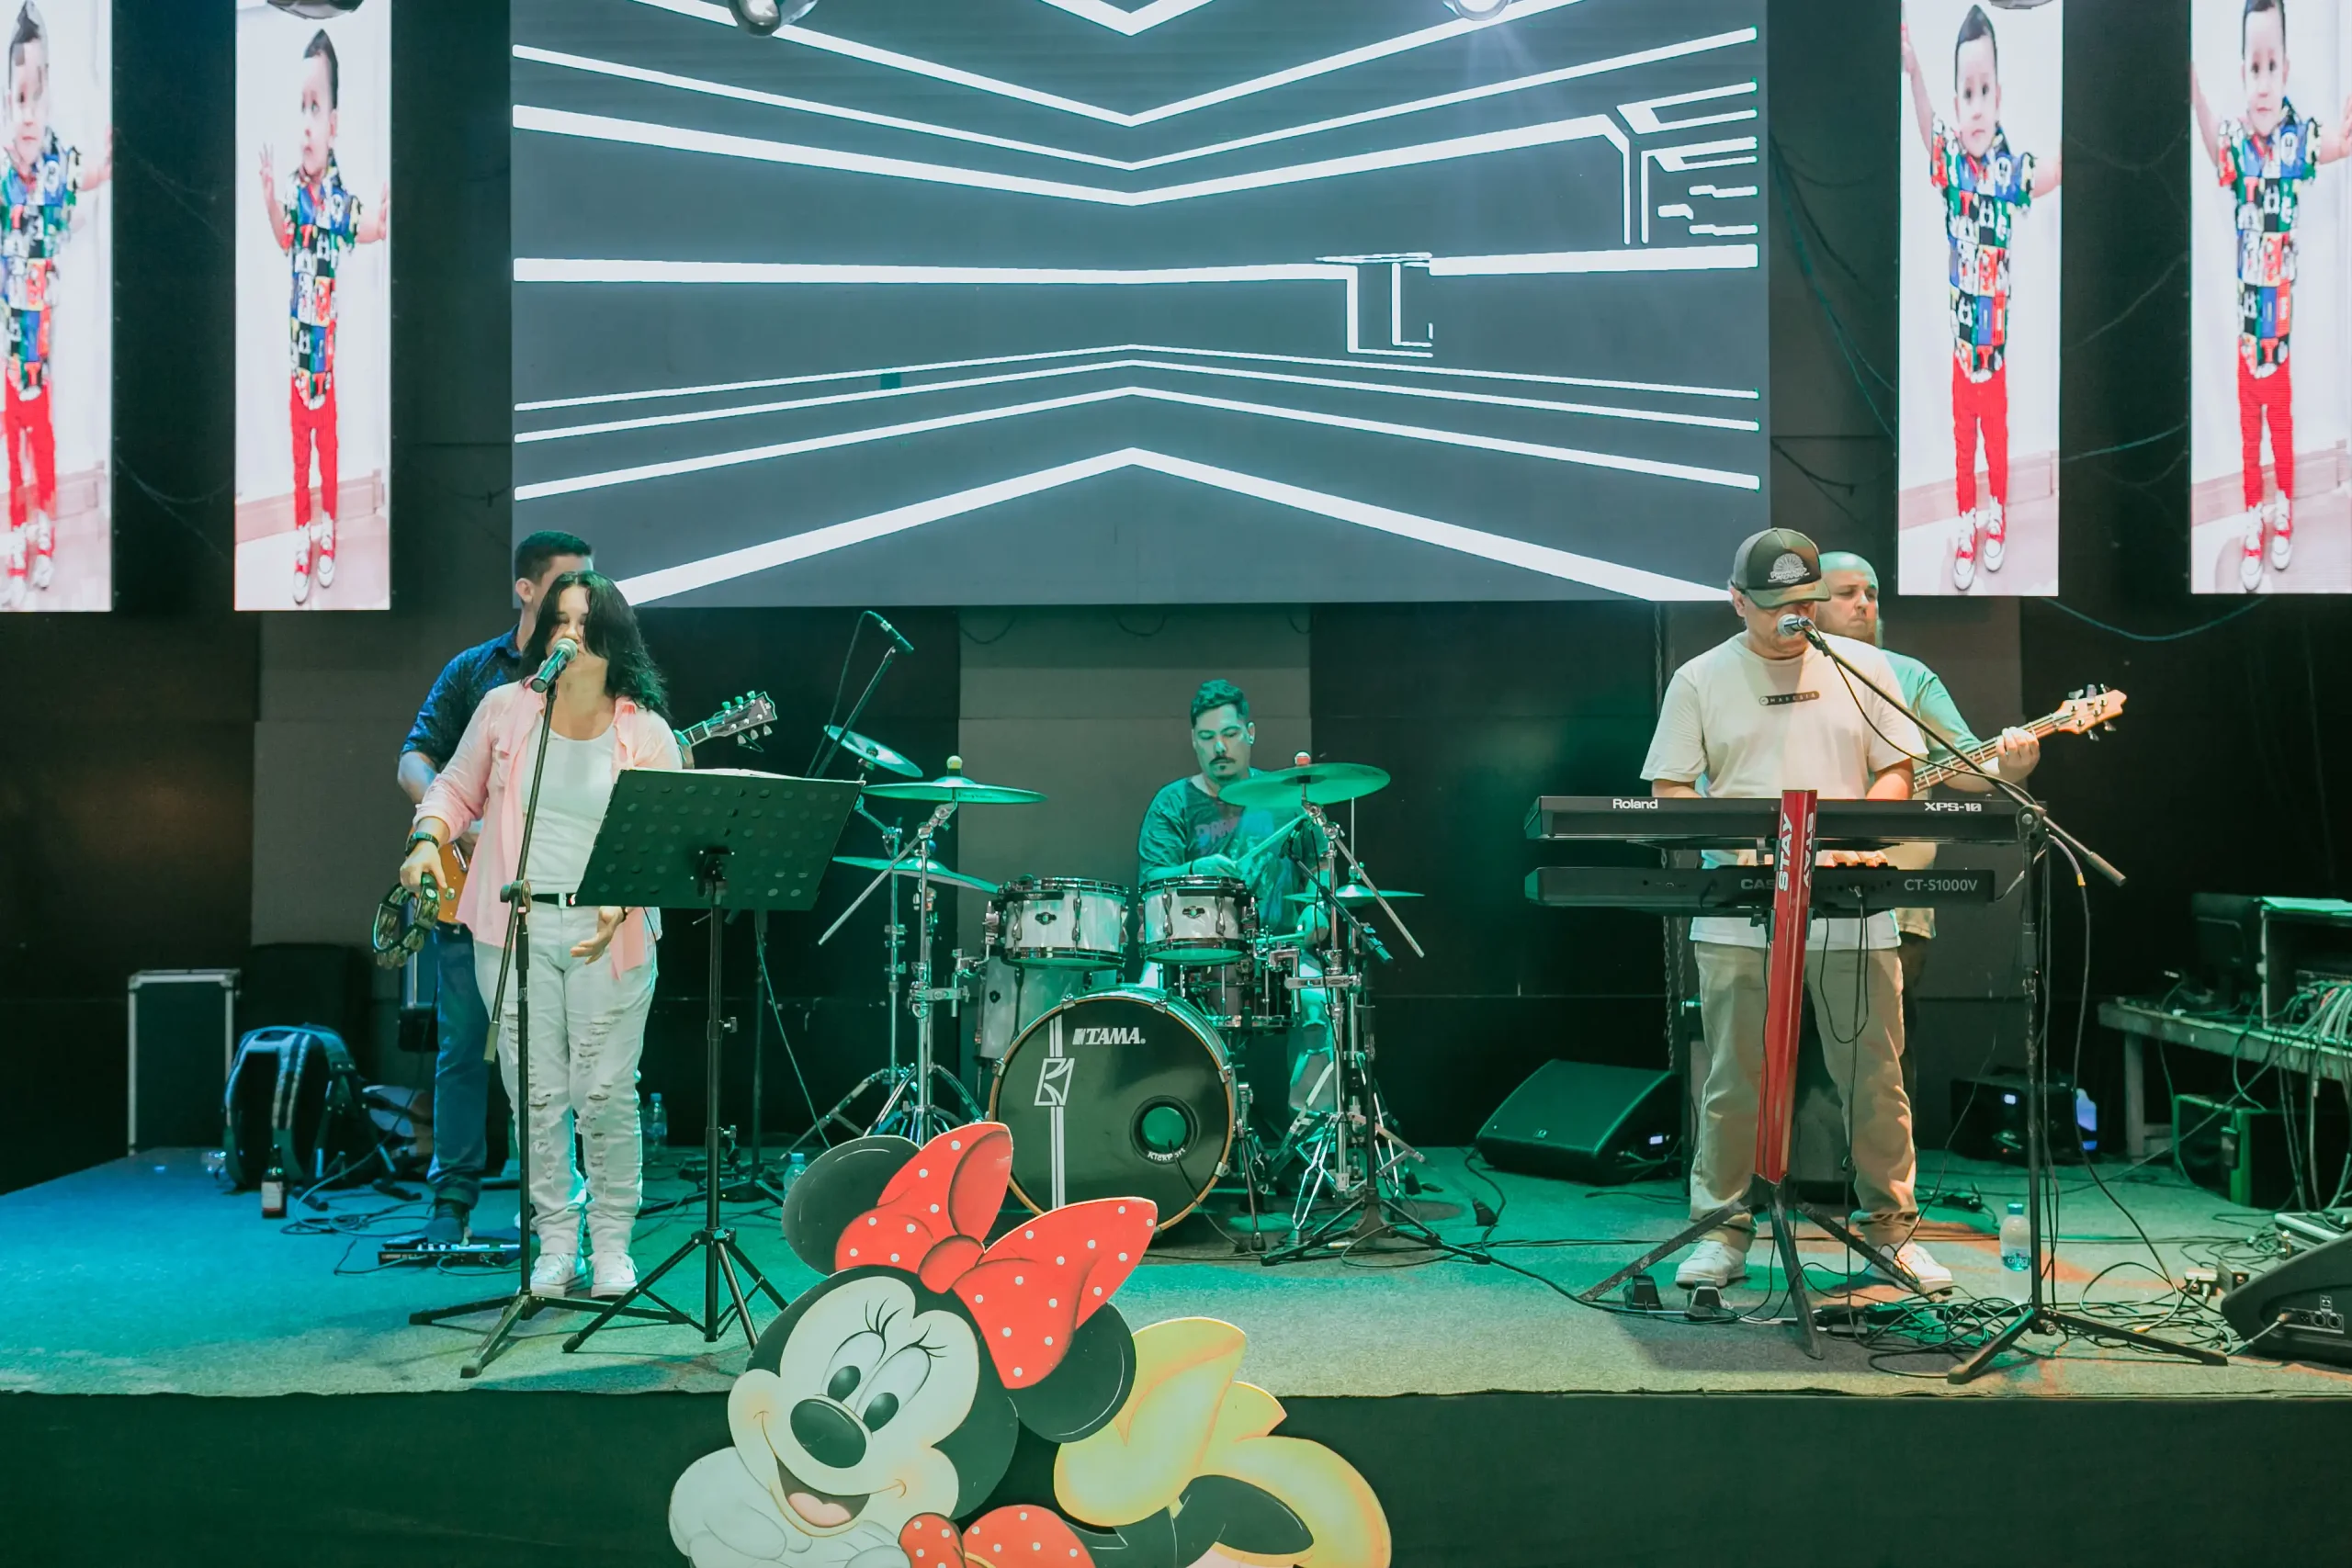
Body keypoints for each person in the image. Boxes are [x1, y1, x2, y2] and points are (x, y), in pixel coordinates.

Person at [1641, 528, 1950, 1295]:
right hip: (1738, 910)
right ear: (1736, 600)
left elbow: (1897, 770)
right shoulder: (1699, 678)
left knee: (1874, 1077)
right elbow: (1670, 790)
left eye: (1806, 603)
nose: (1794, 618)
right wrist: (1748, 852)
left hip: (1852, 905)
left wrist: (1852, 841)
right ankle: (1721, 1232)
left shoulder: (1863, 666)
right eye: (1777, 604)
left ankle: (1893, 1232)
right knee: (1733, 1083)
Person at [401, 570, 679, 1300]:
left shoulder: (646, 731)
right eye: (559, 621)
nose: (569, 636)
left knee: (606, 1090)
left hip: (609, 932)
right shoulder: (505, 709)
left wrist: (624, 898)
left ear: (614, 639)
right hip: (515, 924)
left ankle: (613, 1243)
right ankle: (557, 1241)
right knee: (536, 1093)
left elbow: (666, 840)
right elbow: (453, 787)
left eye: (584, 624)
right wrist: (428, 838)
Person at [397, 530, 593, 1249]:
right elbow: (416, 759)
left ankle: (552, 1214)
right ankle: (452, 1201)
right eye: (568, 582)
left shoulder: (596, 677)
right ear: (527, 589)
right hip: (473, 891)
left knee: (555, 1056)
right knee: (463, 1048)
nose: (581, 597)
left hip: (557, 895)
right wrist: (458, 825)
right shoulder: (476, 671)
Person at [1816, 550, 2038, 998]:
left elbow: (1964, 764)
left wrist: (2009, 767)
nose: (1864, 604)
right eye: (1847, 593)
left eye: (1871, 594)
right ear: (1809, 605)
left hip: (1896, 897)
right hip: (1799, 885)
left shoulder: (1909, 676)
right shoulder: (1782, 676)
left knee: (1892, 1030)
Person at [2192, 0, 2352, 591]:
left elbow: (2333, 144)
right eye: (2254, 68)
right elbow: (2214, 147)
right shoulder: (2237, 139)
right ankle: (2253, 516)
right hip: (2244, 335)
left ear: (2286, 69)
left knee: (2280, 426)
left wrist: (2344, 136)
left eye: (2272, 66)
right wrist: (2197, 99)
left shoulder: (2295, 138)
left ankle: (2284, 508)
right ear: (2244, 72)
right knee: (2247, 432)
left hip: (2278, 338)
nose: (2262, 82)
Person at [1903, 4, 2061, 592]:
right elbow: (1927, 129)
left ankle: (1998, 516)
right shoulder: (1952, 165)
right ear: (1956, 101)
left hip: (1994, 357)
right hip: (1959, 355)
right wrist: (1914, 72)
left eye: (1984, 91)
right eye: (1965, 93)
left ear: (1999, 98)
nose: (1974, 106)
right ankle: (1966, 522)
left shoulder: (2007, 171)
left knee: (1997, 442)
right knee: (1961, 446)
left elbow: (2050, 174)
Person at [1136, 680, 1331, 1114]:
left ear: (1250, 733)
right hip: (1188, 953)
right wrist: (1194, 868)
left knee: (1320, 1000)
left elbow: (1322, 864)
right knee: (1145, 1005)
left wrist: (1318, 908)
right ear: (1194, 741)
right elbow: (1151, 879)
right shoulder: (1173, 803)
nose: (1219, 747)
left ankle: (1312, 1134)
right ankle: (1165, 1129)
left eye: (1229, 734)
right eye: (1207, 738)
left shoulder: (1285, 799)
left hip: (1277, 951)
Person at [259, 28, 387, 605]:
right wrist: (268, 197)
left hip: (326, 372)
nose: (307, 123)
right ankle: (302, 539)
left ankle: (329, 532)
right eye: (301, 107)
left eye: (317, 107)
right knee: (297, 461)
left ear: (334, 123)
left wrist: (385, 218)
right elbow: (284, 237)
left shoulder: (338, 201)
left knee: (328, 457)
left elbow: (368, 226)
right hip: (296, 366)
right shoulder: (293, 192)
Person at [0, 1, 107, 609]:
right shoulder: (1, 179)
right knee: (11, 444)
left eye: (37, 97)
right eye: (19, 98)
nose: (29, 113)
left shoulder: (56, 165)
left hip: (44, 345)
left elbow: (84, 175)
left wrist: (108, 168)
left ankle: (46, 537)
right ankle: (16, 545)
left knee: (42, 440)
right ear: (6, 104)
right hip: (8, 348)